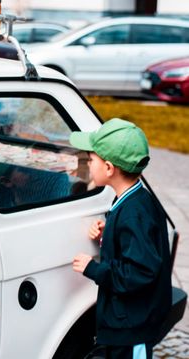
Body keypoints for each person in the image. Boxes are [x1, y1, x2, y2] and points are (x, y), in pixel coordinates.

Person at [71, 118, 171, 359]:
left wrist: (94, 269)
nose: (88, 163)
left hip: (132, 329)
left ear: (108, 168)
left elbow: (140, 271)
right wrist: (109, 232)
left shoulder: (134, 213)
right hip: (126, 323)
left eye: (91, 159)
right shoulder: (133, 201)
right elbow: (137, 243)